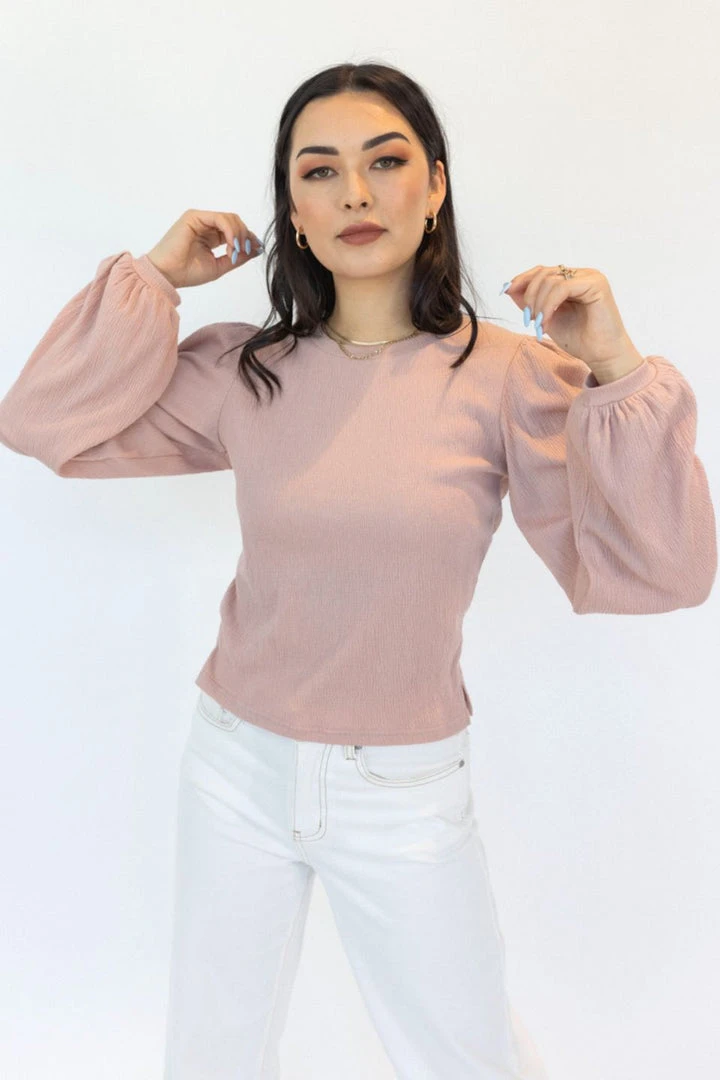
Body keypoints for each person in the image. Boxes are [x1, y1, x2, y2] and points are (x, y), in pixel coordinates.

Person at [0, 61, 715, 1080]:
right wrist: (154, 277)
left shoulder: (506, 376)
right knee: (210, 1057)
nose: (355, 194)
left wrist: (616, 364)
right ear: (292, 212)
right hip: (235, 767)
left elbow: (663, 571)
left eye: (384, 162)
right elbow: (40, 422)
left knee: (464, 1058)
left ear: (435, 186)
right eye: (320, 171)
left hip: (404, 789)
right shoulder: (247, 371)